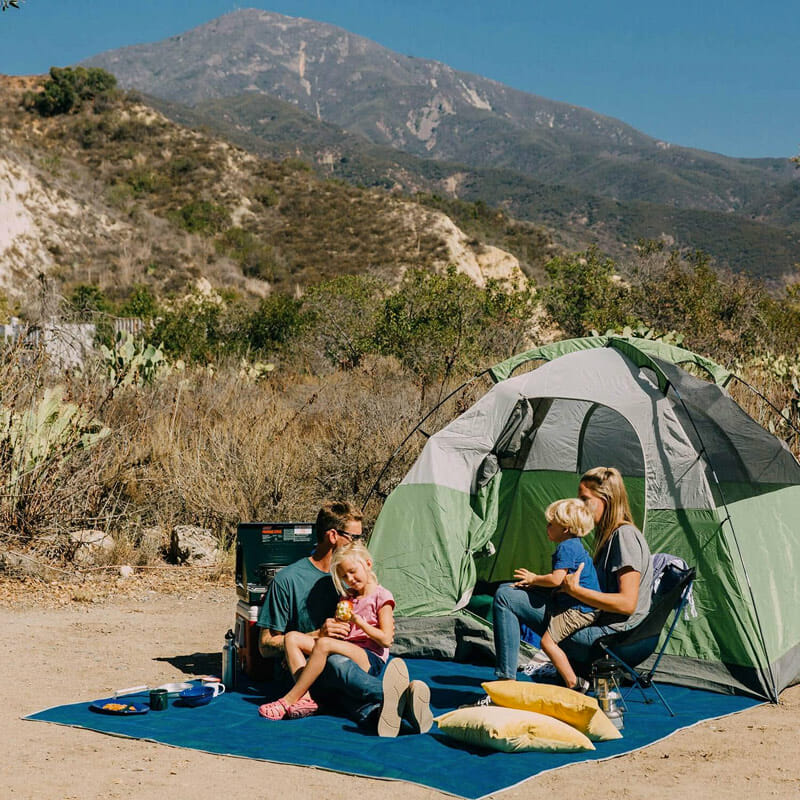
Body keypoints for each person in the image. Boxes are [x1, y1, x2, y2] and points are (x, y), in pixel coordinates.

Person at [257, 499, 432, 736]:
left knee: (338, 667)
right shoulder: (288, 580)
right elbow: (265, 646)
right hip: (310, 673)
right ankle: (396, 700)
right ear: (333, 536)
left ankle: (390, 712)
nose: (360, 543)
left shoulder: (352, 580)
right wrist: (318, 634)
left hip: (351, 666)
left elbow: (377, 615)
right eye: (355, 537)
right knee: (335, 664)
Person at [492, 467, 653, 681]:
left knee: (506, 598)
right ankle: (508, 678)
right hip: (598, 623)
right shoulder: (610, 536)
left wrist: (575, 591)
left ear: (607, 499)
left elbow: (627, 604)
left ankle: (505, 682)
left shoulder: (624, 537)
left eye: (585, 499)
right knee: (507, 589)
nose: (579, 506)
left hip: (610, 638)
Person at [258, 541, 395, 720]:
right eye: (344, 577)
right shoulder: (347, 598)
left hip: (369, 656)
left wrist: (360, 623)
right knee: (291, 638)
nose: (350, 580)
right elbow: (340, 633)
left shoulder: (381, 596)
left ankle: (289, 699)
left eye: (352, 572)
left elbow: (386, 640)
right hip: (344, 650)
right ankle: (305, 697)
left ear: (368, 564)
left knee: (325, 646)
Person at [512, 498, 600, 693]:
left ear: (566, 528)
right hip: (586, 607)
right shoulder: (575, 544)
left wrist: (534, 578)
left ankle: (574, 683)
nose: (547, 527)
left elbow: (556, 580)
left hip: (579, 610)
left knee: (546, 642)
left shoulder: (566, 547)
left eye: (551, 524)